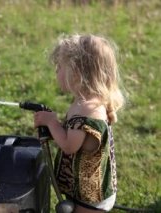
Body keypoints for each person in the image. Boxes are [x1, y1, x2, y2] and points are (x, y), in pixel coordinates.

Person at [34, 34, 125, 212]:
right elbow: (74, 139)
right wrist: (54, 129)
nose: (56, 71)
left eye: (60, 67)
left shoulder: (87, 110)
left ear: (77, 72)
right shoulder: (85, 101)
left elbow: (69, 145)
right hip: (86, 192)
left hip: (90, 198)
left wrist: (52, 123)